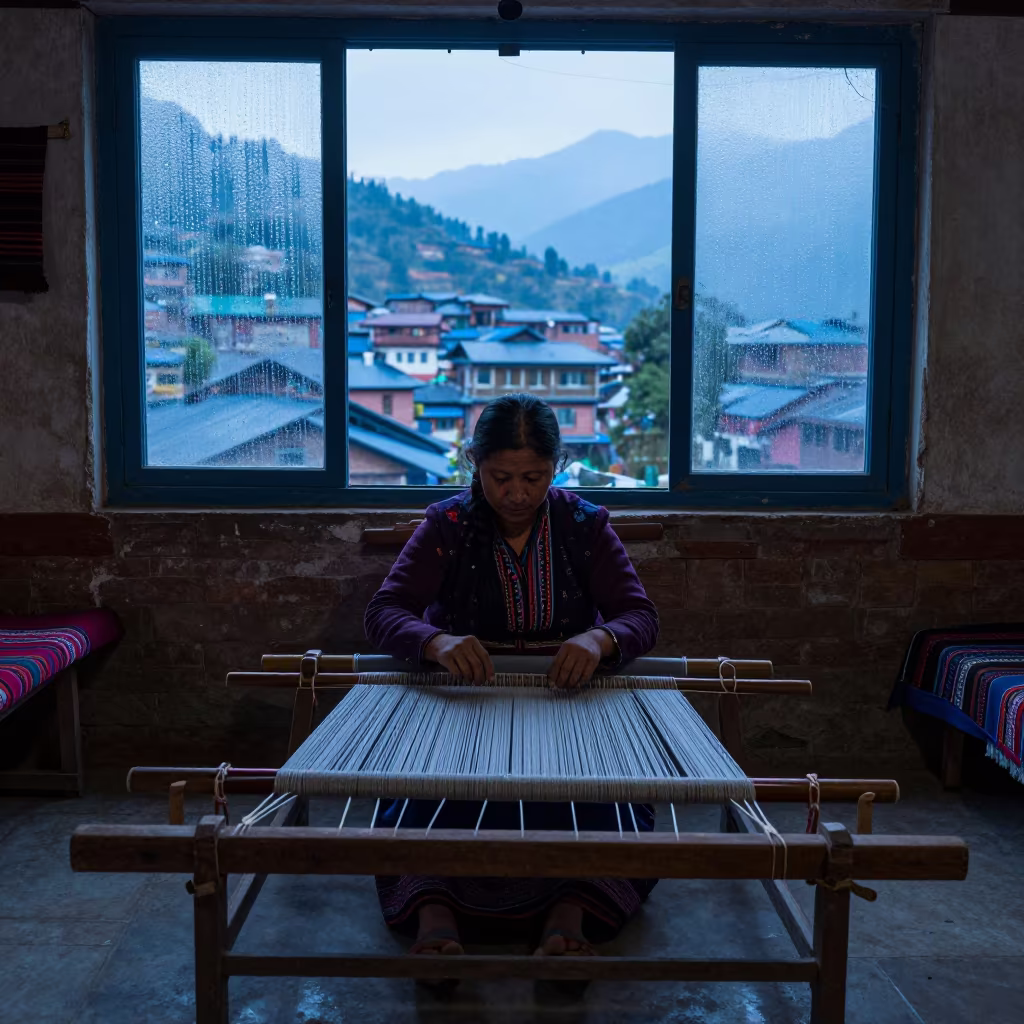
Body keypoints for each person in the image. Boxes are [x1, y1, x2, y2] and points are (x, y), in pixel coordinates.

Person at [364, 393, 660, 967]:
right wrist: (436, 641)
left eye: (534, 476)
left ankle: (567, 914)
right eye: (501, 476)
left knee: (597, 801)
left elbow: (640, 616)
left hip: (566, 698)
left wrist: (599, 640)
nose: (517, 493)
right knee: (432, 798)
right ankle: (437, 912)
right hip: (465, 700)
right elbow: (385, 610)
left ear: (559, 467)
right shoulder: (448, 526)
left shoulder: (584, 526)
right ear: (474, 463)